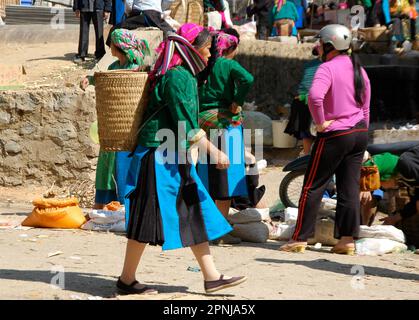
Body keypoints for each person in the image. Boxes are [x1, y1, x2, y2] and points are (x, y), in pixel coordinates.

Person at [117, 23, 247, 295]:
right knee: (147, 219)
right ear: (192, 47)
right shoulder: (179, 77)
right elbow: (185, 128)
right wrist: (216, 152)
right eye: (207, 47)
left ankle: (211, 277)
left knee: (193, 211)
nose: (211, 52)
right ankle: (127, 280)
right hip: (158, 157)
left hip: (168, 155)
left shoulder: (178, 74)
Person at [279, 24, 371, 255]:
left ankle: (300, 238)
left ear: (330, 45)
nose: (317, 47)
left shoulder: (327, 68)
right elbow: (366, 104)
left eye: (320, 43)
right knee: (349, 188)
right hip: (358, 133)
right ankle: (347, 241)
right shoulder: (359, 68)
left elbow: (314, 96)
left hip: (335, 134)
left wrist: (320, 123)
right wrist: (363, 130)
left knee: (312, 185)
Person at [80, 29, 150, 208]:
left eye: (111, 43)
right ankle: (102, 202)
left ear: (119, 47)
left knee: (124, 162)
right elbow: (107, 81)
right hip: (113, 125)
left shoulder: (139, 68)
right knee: (107, 162)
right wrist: (91, 79)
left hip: (130, 127)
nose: (109, 46)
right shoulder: (113, 67)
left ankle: (125, 204)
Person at [196, 31, 254, 244]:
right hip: (226, 124)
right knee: (226, 181)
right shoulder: (228, 65)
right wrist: (237, 99)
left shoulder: (202, 65)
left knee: (206, 177)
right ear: (230, 49)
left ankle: (206, 226)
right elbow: (248, 78)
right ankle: (219, 231)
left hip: (202, 126)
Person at [284, 45, 322, 155]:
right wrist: (303, 96)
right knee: (307, 133)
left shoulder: (332, 65)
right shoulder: (309, 65)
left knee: (320, 133)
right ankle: (307, 159)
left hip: (320, 102)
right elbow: (305, 84)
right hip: (305, 102)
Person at [106, 0, 174, 47]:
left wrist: (129, 13)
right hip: (156, 16)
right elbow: (169, 1)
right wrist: (159, 9)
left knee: (114, 30)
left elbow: (129, 3)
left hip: (140, 15)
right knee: (170, 31)